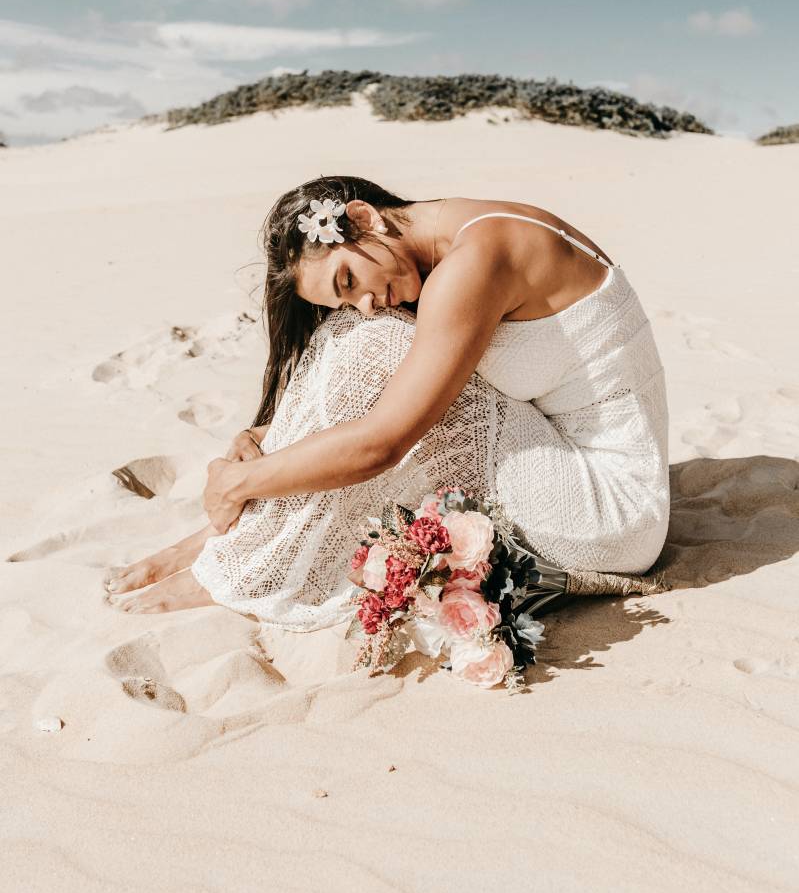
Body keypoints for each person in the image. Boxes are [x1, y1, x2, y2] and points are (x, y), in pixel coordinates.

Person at [105, 174, 670, 622]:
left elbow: (381, 444)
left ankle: (237, 557)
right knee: (361, 335)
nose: (365, 300)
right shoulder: (458, 227)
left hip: (609, 512)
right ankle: (230, 537)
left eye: (348, 280)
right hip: (576, 460)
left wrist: (239, 482)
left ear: (361, 217)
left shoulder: (475, 261)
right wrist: (265, 439)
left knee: (371, 343)